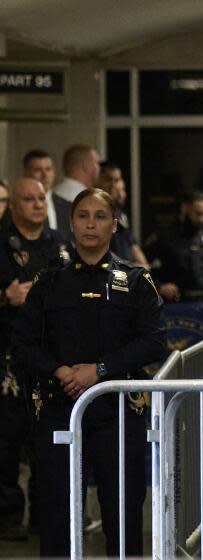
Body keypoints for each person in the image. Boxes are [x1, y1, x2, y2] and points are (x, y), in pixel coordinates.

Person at [11, 188, 167, 557]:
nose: (91, 224)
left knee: (123, 509)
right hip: (57, 407)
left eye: (100, 216)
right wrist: (60, 370)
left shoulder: (134, 281)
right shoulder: (49, 282)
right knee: (57, 513)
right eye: (83, 216)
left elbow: (154, 342)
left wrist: (99, 371)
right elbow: (23, 344)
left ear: (113, 225)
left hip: (117, 412)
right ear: (71, 223)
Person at [0, 178, 71, 541]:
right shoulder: (1, 242)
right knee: (7, 439)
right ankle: (9, 518)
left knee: (47, 441)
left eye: (41, 198)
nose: (37, 205)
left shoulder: (61, 244)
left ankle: (45, 516)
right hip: (8, 356)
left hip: (51, 355)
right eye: (28, 199)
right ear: (14, 206)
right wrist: (6, 296)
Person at [150, 190, 203, 303]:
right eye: (198, 213)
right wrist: (160, 287)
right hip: (175, 302)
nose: (202, 219)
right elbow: (144, 266)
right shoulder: (167, 235)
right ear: (185, 208)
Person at [97, 161, 149, 267]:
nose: (112, 185)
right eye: (108, 179)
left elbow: (131, 243)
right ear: (98, 180)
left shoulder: (119, 212)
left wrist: (144, 268)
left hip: (127, 273)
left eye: (116, 180)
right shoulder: (94, 211)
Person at [22, 150, 73, 241]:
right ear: (26, 173)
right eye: (38, 170)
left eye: (48, 169)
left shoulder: (68, 207)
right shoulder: (17, 207)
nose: (45, 175)